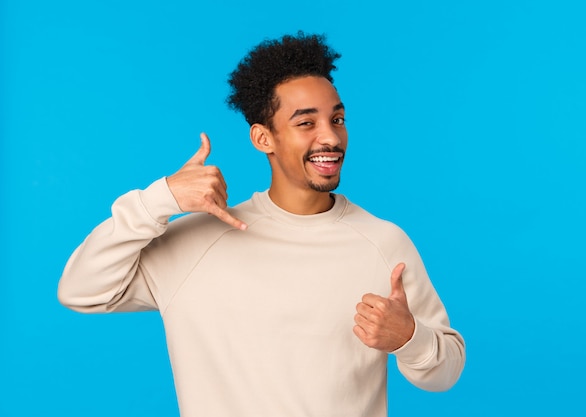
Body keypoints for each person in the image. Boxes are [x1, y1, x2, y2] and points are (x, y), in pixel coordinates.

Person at [58, 32, 465, 417]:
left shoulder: (383, 242)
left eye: (337, 119)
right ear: (263, 139)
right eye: (306, 123)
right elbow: (80, 290)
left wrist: (410, 338)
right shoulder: (198, 243)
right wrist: (159, 199)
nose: (331, 137)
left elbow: (445, 373)